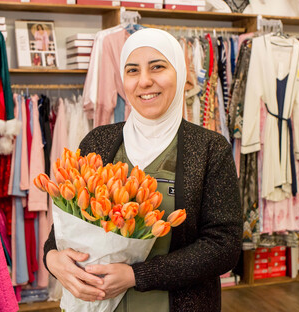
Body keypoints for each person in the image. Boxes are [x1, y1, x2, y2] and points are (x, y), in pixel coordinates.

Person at [43, 28, 242, 312]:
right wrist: (52, 258)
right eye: (132, 70)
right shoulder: (98, 141)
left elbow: (224, 246)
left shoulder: (210, 148)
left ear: (180, 73)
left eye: (158, 67)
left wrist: (136, 275)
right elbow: (67, 223)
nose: (144, 81)